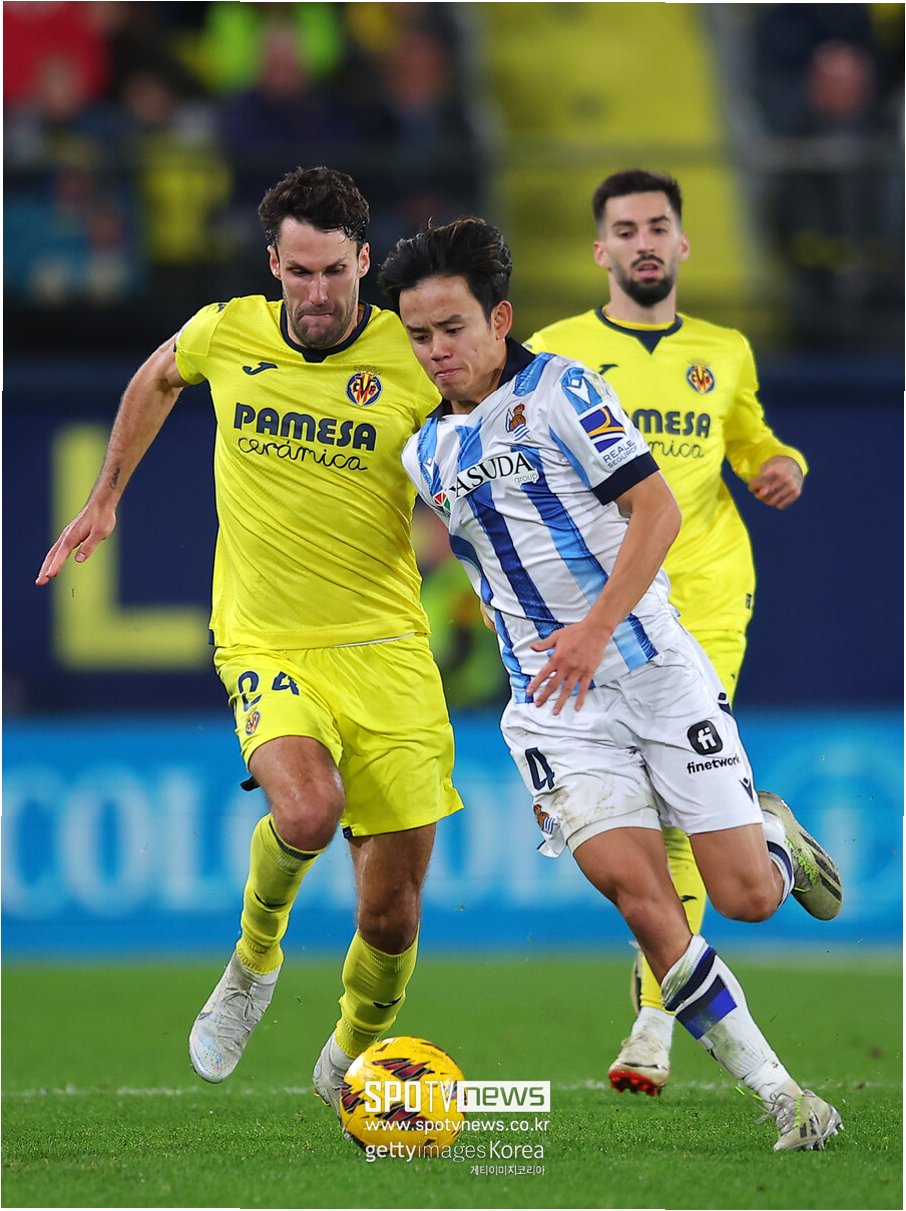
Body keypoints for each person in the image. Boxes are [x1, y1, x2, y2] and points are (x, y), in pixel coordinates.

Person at [379, 216, 843, 1152]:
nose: (435, 351)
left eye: (452, 328)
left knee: (746, 897)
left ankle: (773, 837)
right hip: (556, 711)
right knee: (644, 901)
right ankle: (788, 1099)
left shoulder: (564, 389)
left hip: (653, 670)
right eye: (419, 334)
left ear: (499, 318)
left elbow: (657, 509)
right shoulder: (422, 453)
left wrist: (593, 629)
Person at [36, 165, 462, 1112]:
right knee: (307, 813)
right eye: (299, 272)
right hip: (267, 638)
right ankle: (253, 961)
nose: (317, 294)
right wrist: (107, 494)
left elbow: (482, 439)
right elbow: (158, 375)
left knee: (391, 913)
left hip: (389, 645)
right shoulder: (226, 331)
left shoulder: (411, 355)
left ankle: (349, 1052)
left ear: (364, 263)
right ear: (274, 264)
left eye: (335, 272)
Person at [523, 168, 813, 1097]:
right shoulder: (556, 353)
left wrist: (780, 463)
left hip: (706, 601)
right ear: (599, 250)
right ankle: (768, 831)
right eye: (625, 229)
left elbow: (752, 439)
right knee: (646, 812)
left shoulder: (723, 351)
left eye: (657, 226)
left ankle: (653, 1023)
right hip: (605, 609)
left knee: (676, 813)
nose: (643, 242)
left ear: (683, 243)